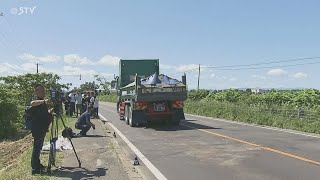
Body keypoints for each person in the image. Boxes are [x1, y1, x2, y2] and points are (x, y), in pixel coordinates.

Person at [29, 84, 53, 175]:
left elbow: (44, 113)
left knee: (39, 148)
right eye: (40, 90)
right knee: (36, 148)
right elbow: (32, 103)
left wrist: (51, 111)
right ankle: (35, 169)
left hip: (42, 127)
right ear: (36, 91)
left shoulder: (42, 102)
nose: (42, 92)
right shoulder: (36, 100)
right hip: (37, 128)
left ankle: (38, 165)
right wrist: (44, 101)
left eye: (43, 90)